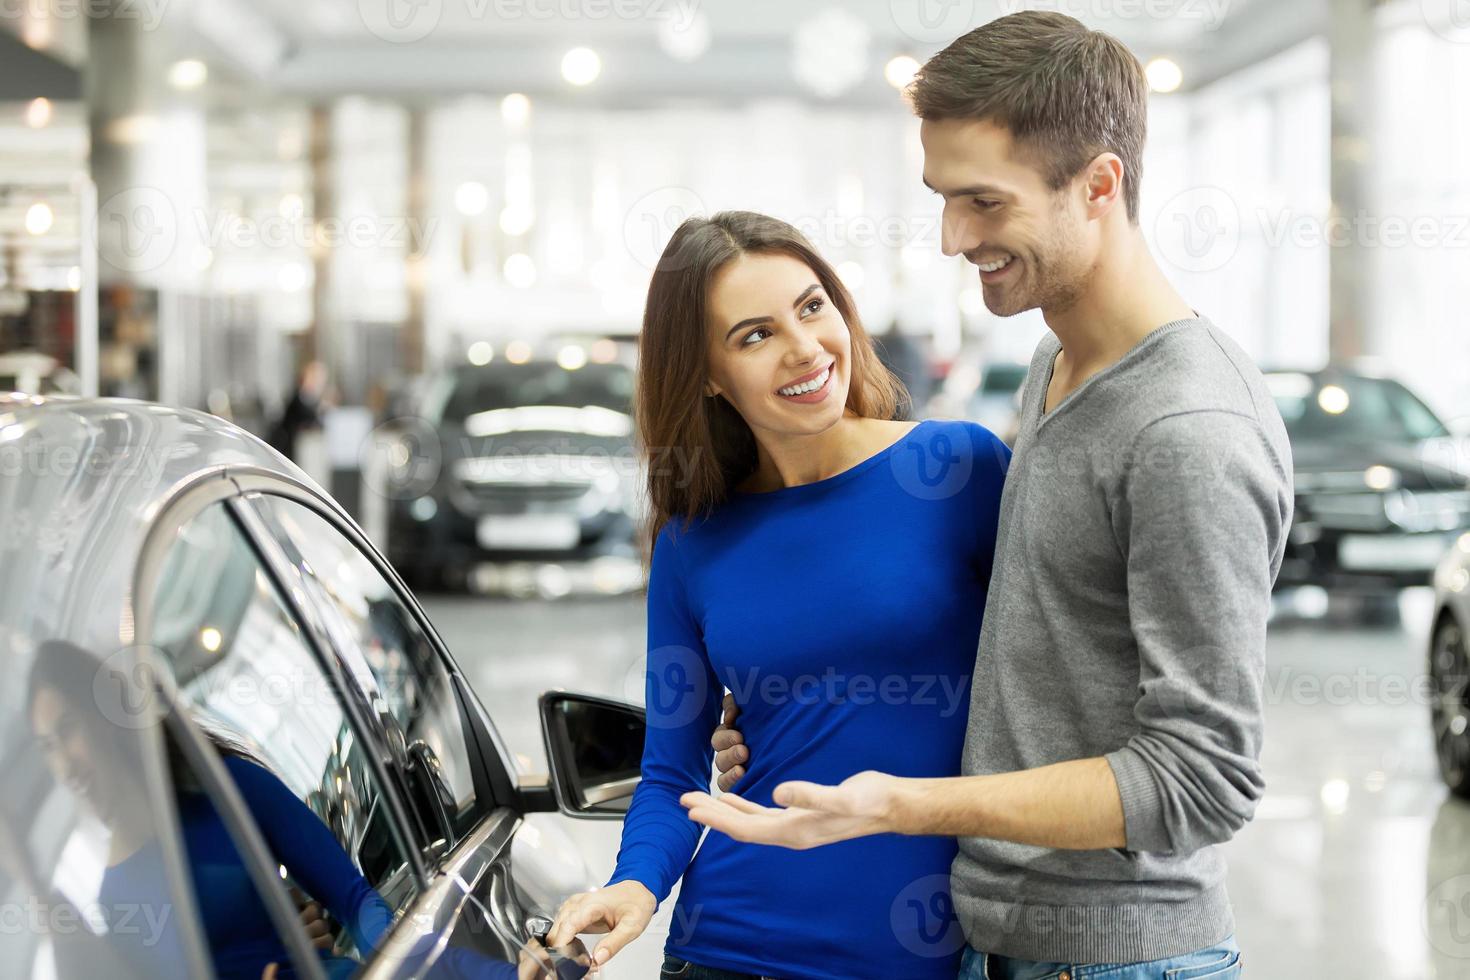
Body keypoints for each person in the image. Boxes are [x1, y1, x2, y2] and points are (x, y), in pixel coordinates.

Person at [685, 13, 1292, 980]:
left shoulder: (1188, 433)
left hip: (1112, 959)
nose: (951, 237)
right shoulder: (1059, 361)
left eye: (982, 202)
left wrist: (903, 803)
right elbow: (1035, 646)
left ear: (1099, 185)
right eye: (941, 198)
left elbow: (1204, 780)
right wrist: (805, 697)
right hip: (1002, 940)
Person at [545, 211, 1010, 978]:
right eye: (754, 335)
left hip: (912, 954)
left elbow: (1051, 687)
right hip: (726, 945)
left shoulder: (957, 470)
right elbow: (672, 771)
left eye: (812, 306)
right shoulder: (693, 540)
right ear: (706, 375)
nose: (803, 348)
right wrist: (635, 885)